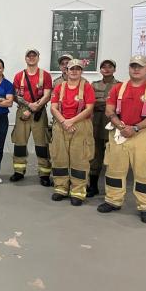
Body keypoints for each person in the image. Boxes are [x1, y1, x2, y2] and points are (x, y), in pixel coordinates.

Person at [97, 55, 146, 223]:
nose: (136, 69)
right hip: (120, 131)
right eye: (133, 66)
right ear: (129, 68)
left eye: (140, 66)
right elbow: (109, 111)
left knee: (145, 172)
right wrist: (121, 127)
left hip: (143, 134)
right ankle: (113, 200)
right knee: (114, 169)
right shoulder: (118, 89)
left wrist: (135, 128)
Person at [50, 59, 96, 205]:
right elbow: (53, 107)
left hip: (80, 126)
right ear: (66, 71)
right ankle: (61, 188)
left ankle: (78, 191)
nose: (74, 71)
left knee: (80, 159)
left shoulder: (87, 87)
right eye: (71, 69)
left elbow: (89, 108)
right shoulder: (59, 87)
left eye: (78, 68)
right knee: (59, 157)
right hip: (61, 125)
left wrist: (71, 121)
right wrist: (64, 122)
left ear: (81, 71)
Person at [10, 48, 53, 186]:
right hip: (23, 112)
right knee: (20, 143)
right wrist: (29, 106)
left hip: (40, 112)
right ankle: (19, 171)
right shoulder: (18, 76)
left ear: (38, 58)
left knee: (42, 144)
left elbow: (47, 95)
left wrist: (36, 106)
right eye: (29, 56)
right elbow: (16, 96)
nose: (31, 58)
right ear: (25, 58)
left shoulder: (45, 75)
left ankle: (44, 174)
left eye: (34, 56)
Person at [87, 59, 120, 197]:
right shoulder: (93, 85)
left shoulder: (120, 86)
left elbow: (119, 105)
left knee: (114, 156)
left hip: (112, 123)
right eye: (103, 67)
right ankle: (93, 187)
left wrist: (101, 104)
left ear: (114, 69)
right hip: (96, 123)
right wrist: (105, 103)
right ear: (100, 70)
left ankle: (113, 190)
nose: (106, 69)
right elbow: (89, 103)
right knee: (95, 156)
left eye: (110, 66)